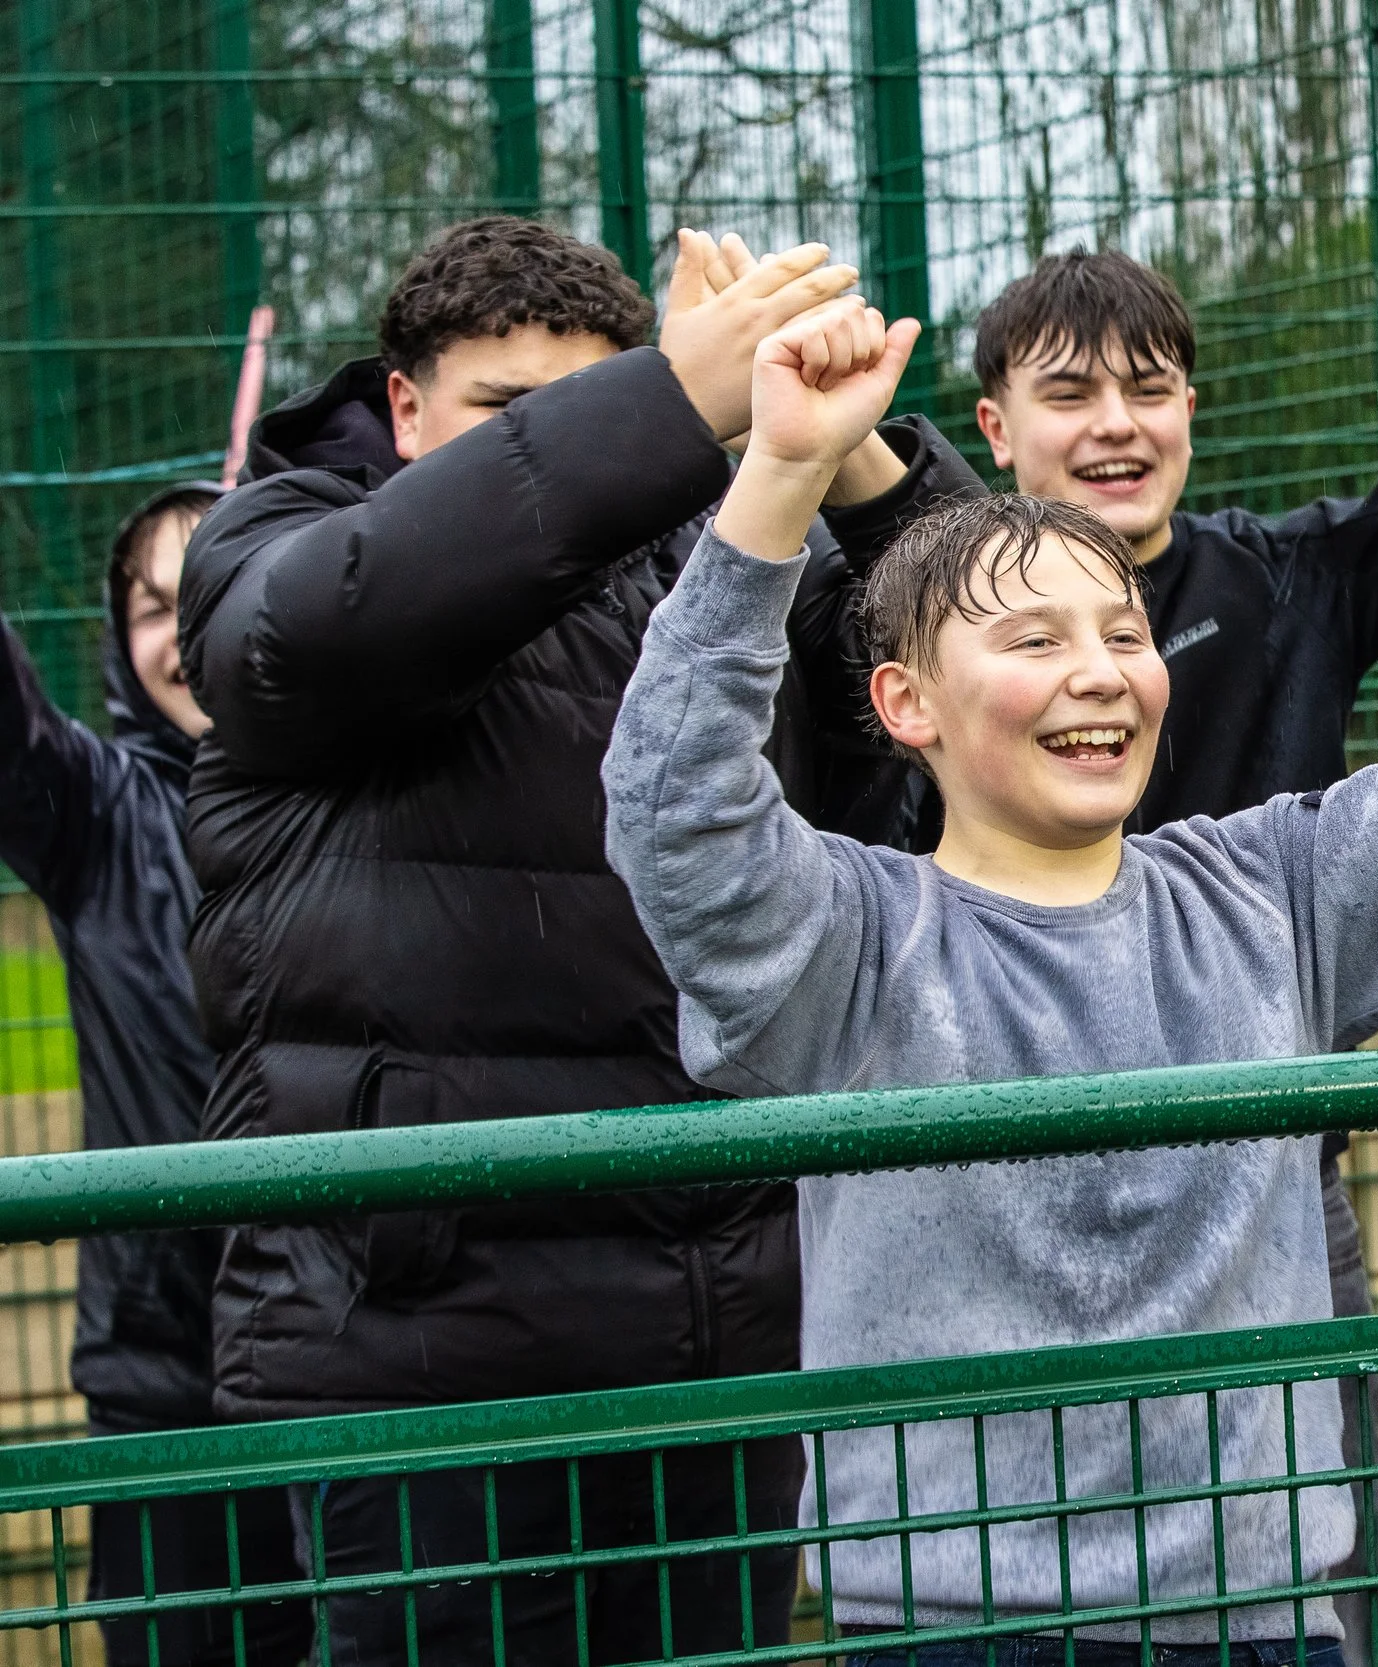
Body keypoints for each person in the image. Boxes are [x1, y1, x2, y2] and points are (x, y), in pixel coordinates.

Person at [601, 282, 1378, 1662]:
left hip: (1264, 1618)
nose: (1099, 674)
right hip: (949, 1625)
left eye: (1123, 634)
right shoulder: (847, 940)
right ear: (907, 702)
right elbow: (674, 806)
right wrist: (781, 472)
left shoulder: (1272, 891)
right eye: (1032, 641)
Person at [176, 214, 921, 1663]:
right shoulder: (279, 548)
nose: (587, 447)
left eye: (607, 396)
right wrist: (655, 404)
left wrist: (849, 445)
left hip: (714, 1357)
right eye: (515, 410)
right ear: (403, 405)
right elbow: (342, 613)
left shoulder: (720, 573)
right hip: (416, 1373)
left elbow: (948, 637)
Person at [0, 484, 311, 1667]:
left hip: (356, 1374)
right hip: (165, 1387)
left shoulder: (360, 792)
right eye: (150, 608)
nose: (184, 635)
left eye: (216, 590)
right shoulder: (94, 810)